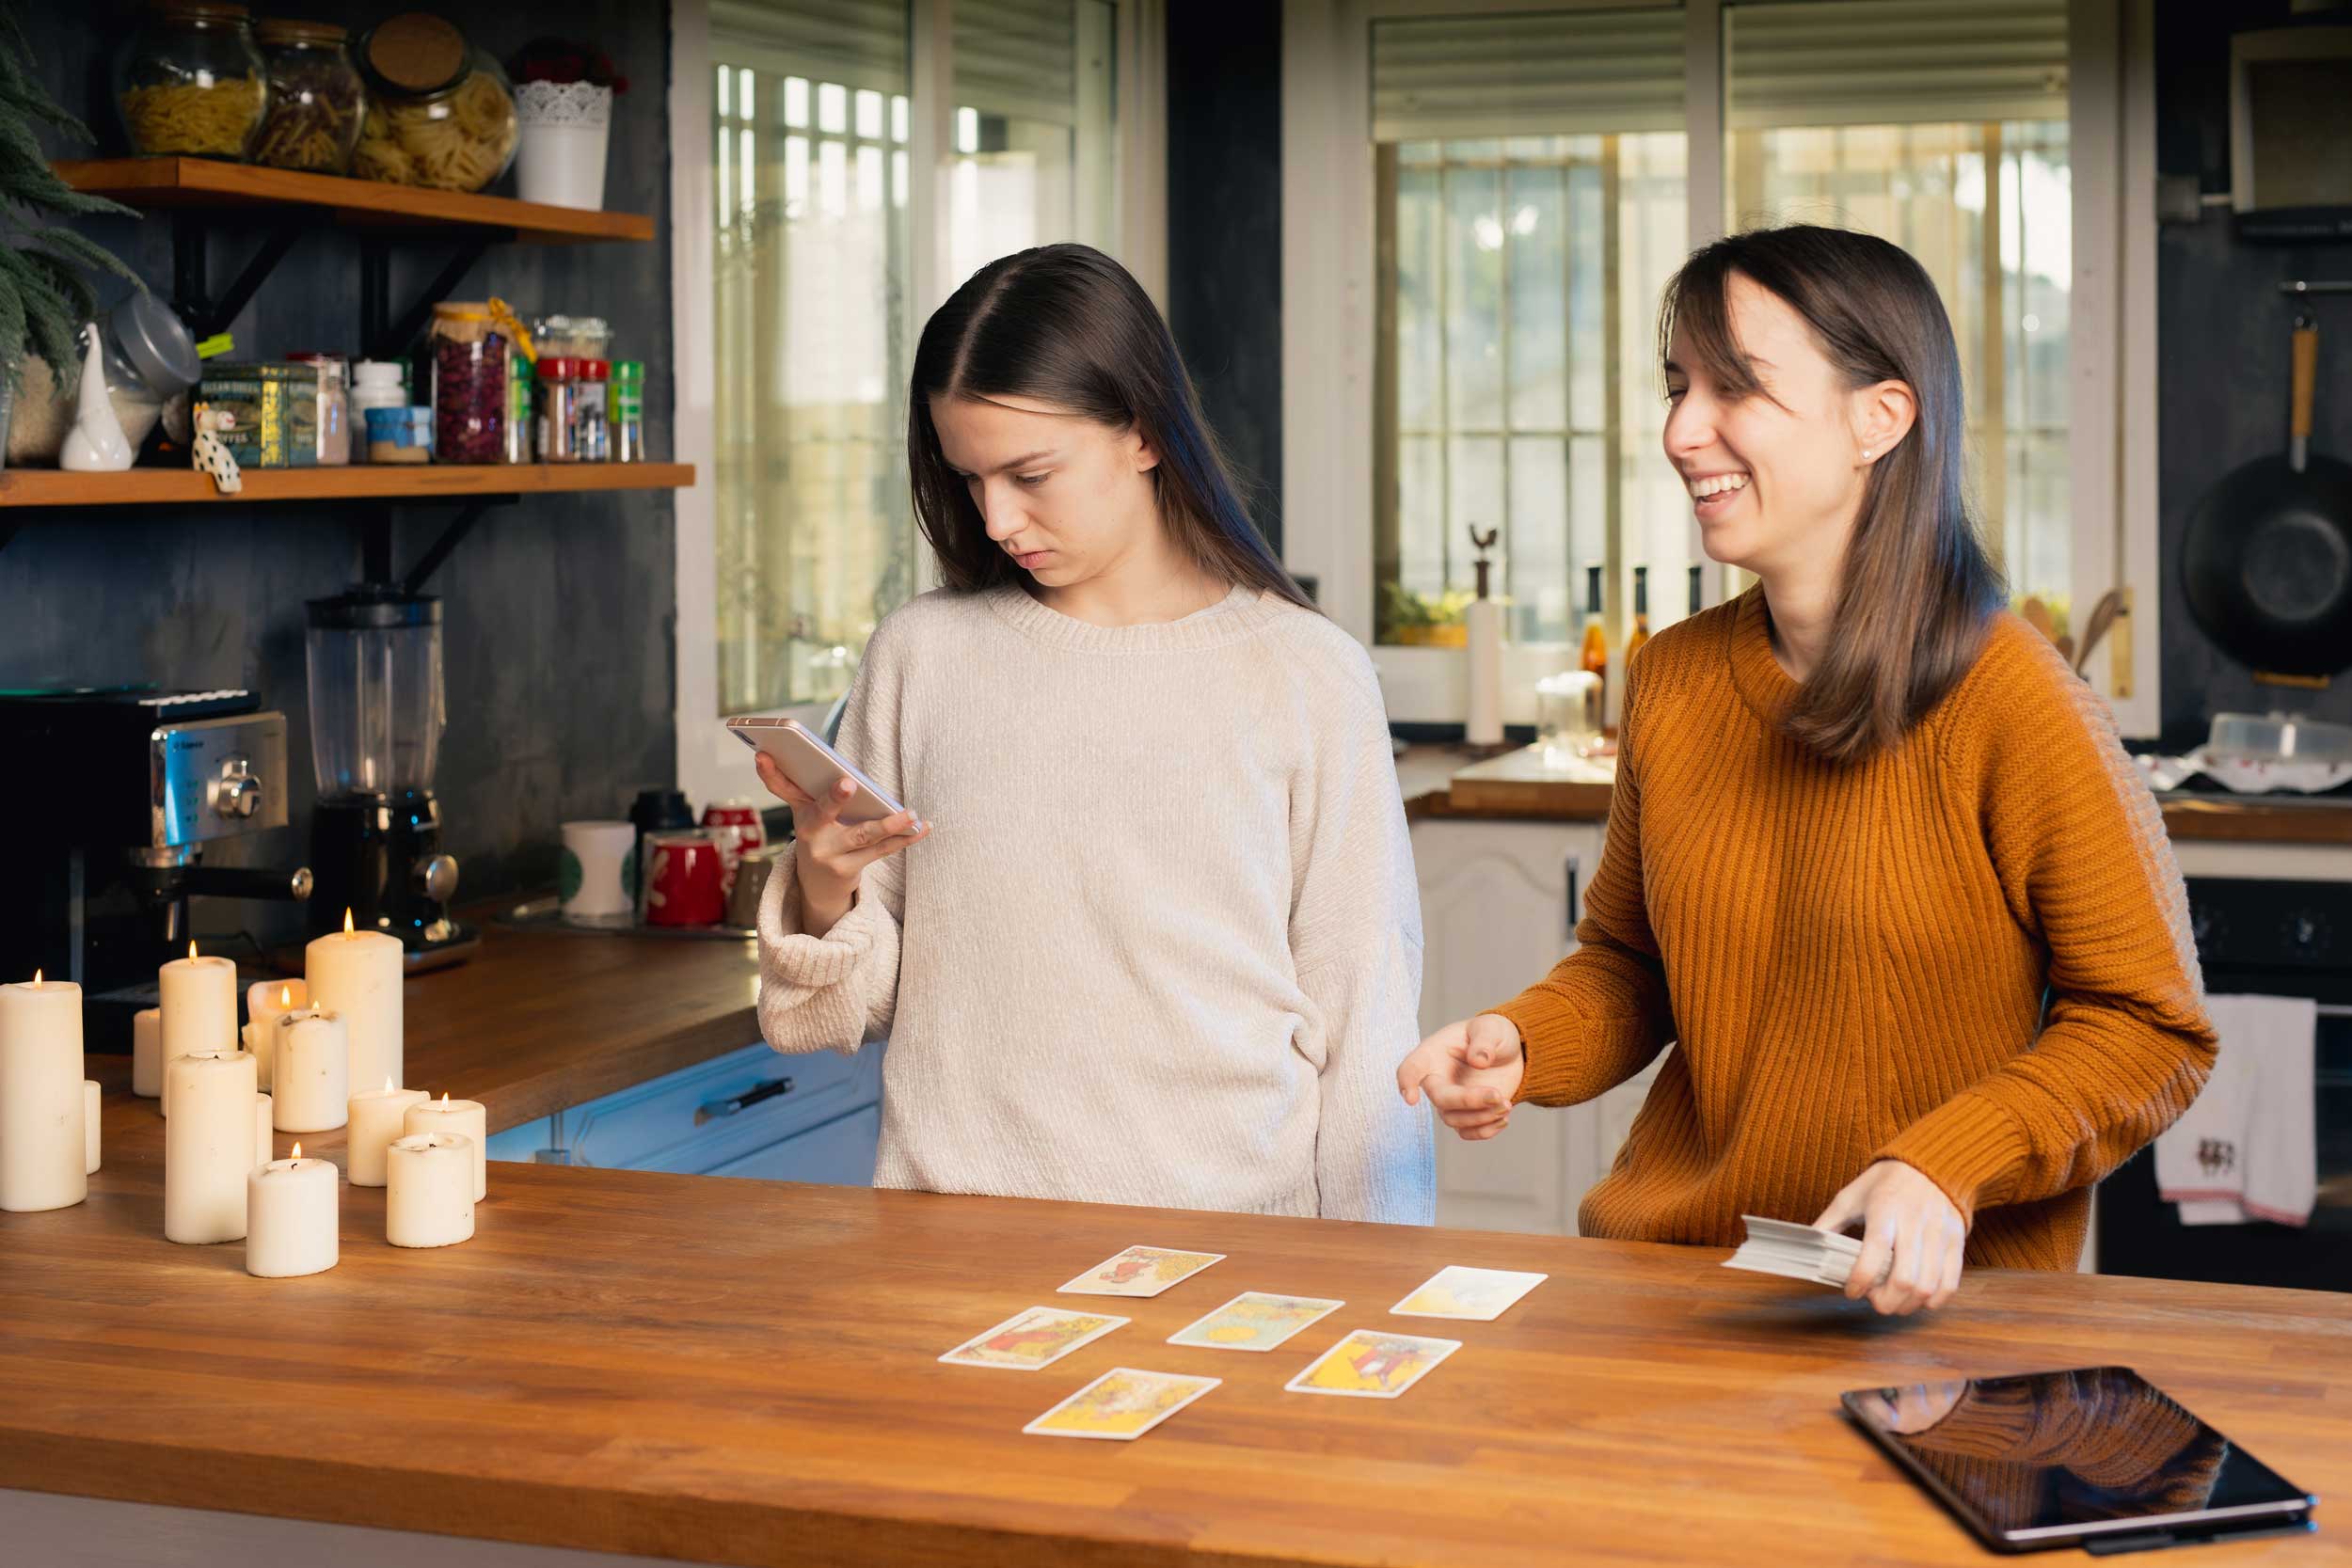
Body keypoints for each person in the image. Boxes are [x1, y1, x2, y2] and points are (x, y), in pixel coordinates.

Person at [1396, 224, 2216, 1311]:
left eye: (1735, 388)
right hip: (1678, 1282)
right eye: (1678, 384)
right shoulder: (1676, 678)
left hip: (1929, 1311)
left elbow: (2151, 1028)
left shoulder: (2013, 698)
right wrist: (1522, 1037)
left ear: (1879, 416)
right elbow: (1633, 963)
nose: (1683, 429)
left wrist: (1943, 1160)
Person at [755, 243, 1432, 1224]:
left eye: (1030, 473)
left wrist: (1383, 1279)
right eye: (969, 477)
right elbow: (845, 1010)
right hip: (954, 1244)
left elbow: (1365, 1021)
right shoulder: (922, 657)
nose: (994, 518)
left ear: (1144, 432)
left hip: (1231, 1249)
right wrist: (824, 883)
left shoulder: (1304, 672)